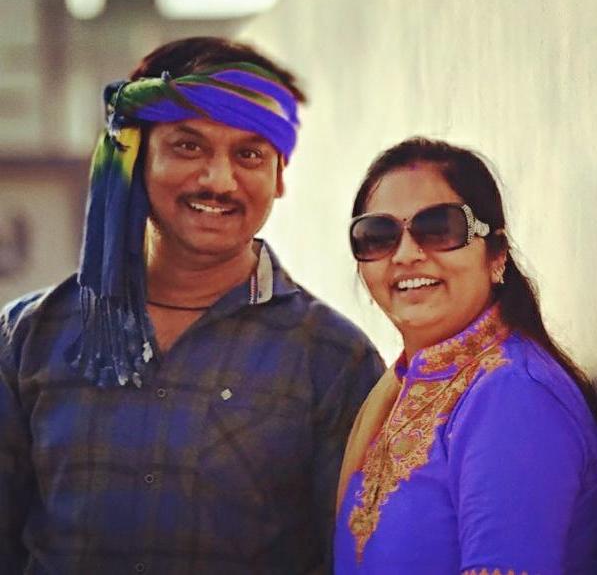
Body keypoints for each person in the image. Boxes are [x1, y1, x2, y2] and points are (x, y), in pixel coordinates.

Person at [0, 37, 384, 574]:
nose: (219, 181)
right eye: (188, 146)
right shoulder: (27, 338)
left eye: (249, 155)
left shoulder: (334, 359)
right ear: (135, 157)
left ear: (279, 177)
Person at [334, 137, 597, 574]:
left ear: (496, 254)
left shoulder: (513, 396)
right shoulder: (406, 386)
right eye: (378, 236)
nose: (406, 255)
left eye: (439, 228)